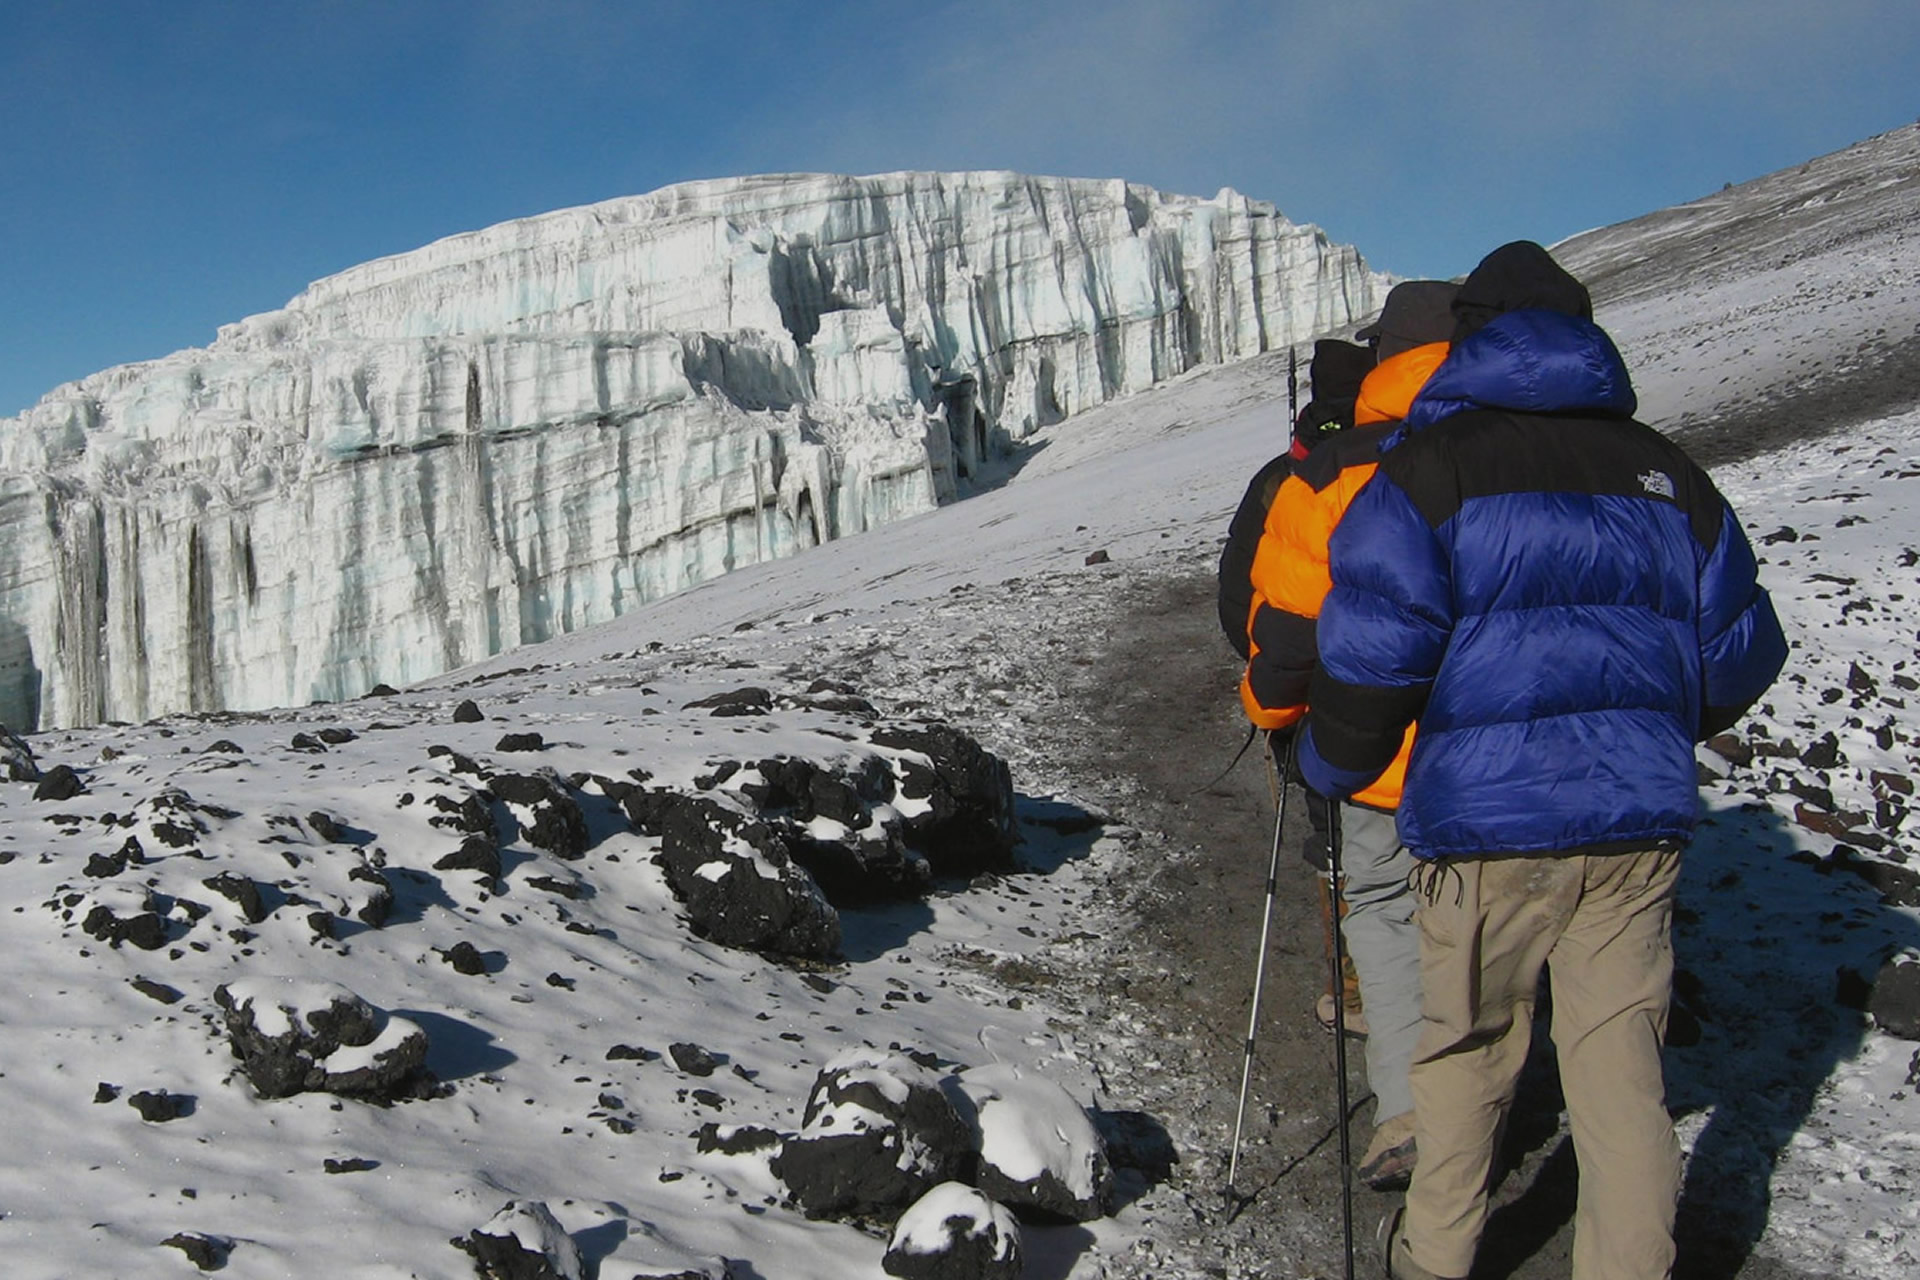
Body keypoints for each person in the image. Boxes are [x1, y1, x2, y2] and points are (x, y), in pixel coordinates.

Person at [1296, 242, 1788, 1280]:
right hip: (1635, 825)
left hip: (1485, 828)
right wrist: (1652, 725)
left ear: (1466, 341)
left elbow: (1376, 645)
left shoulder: (1429, 468)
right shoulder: (1664, 470)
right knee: (1620, 1072)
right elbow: (1744, 648)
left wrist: (1336, 760)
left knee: (1468, 1054)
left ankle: (1431, 1257)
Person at [1238, 280, 1459, 1190]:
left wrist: (1270, 713)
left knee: (1382, 905)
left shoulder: (1332, 473)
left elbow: (1283, 626)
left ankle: (1411, 1111)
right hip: (1503, 754)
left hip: (1373, 750)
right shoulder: (1513, 451)